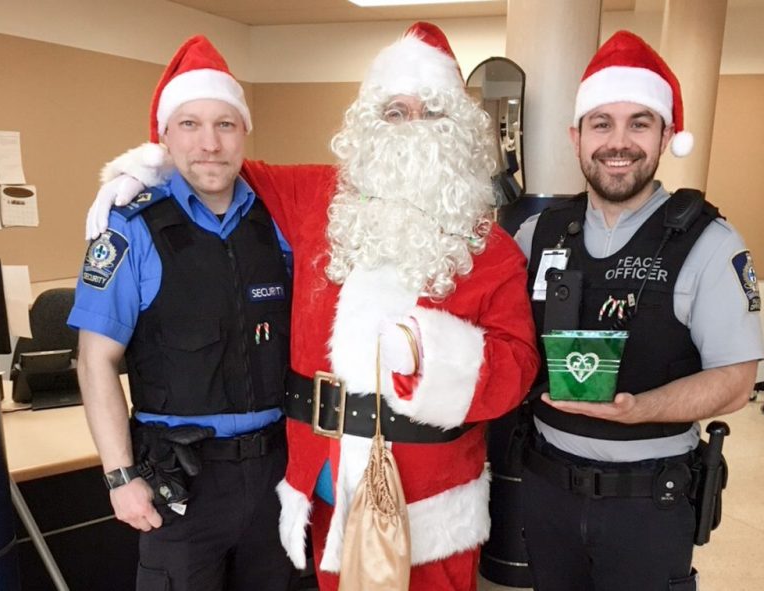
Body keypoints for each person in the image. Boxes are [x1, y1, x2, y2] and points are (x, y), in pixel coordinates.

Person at [86, 22, 539, 591]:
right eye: (396, 112)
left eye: (433, 113)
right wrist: (146, 167)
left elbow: (518, 367)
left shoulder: (489, 248)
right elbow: (218, 164)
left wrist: (431, 353)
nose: (413, 129)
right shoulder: (316, 198)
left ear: (459, 130)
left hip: (429, 500)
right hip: (319, 490)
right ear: (370, 124)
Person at [513, 31, 764, 591]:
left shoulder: (708, 244)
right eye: (601, 123)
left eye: (639, 123)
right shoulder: (537, 234)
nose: (618, 142)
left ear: (667, 135)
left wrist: (640, 408)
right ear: (577, 137)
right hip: (546, 490)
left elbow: (737, 383)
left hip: (647, 502)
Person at [69, 36, 295, 591]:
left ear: (245, 132)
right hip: (180, 484)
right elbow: (95, 359)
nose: (209, 144)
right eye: (189, 124)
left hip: (277, 476)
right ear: (164, 136)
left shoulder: (279, 223)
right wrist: (120, 477)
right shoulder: (132, 226)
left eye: (225, 124)